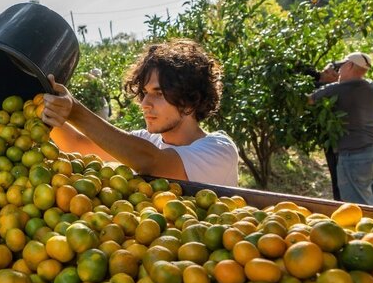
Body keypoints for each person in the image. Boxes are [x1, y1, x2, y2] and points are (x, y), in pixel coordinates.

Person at [40, 39, 240, 186]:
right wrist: (41, 104)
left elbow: (151, 163)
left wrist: (74, 110)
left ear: (190, 100)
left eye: (158, 93)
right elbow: (77, 144)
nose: (144, 103)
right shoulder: (146, 141)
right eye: (144, 93)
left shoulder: (220, 150)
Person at [308, 51, 373, 207]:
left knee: (359, 211)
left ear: (350, 65)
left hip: (356, 156)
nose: (338, 70)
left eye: (341, 66)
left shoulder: (338, 89)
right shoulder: (372, 86)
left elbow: (308, 100)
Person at [315, 60, 342, 200]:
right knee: (336, 177)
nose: (322, 74)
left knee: (340, 179)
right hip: (329, 140)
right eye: (324, 70)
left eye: (327, 73)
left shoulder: (334, 91)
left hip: (337, 141)